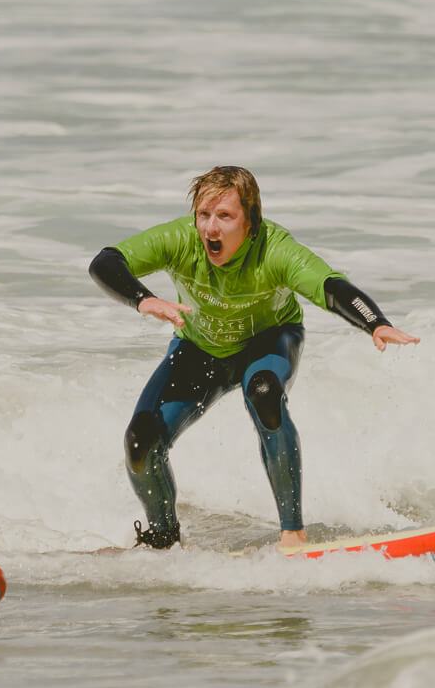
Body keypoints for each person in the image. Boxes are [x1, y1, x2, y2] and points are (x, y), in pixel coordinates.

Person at [88, 165, 418, 550]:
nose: (211, 228)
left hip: (268, 343)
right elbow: (106, 262)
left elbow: (330, 287)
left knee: (264, 393)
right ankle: (164, 540)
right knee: (140, 441)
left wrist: (374, 323)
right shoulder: (180, 239)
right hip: (200, 349)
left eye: (225, 216)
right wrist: (145, 300)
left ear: (250, 223)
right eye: (203, 215)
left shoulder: (273, 249)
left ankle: (293, 533)